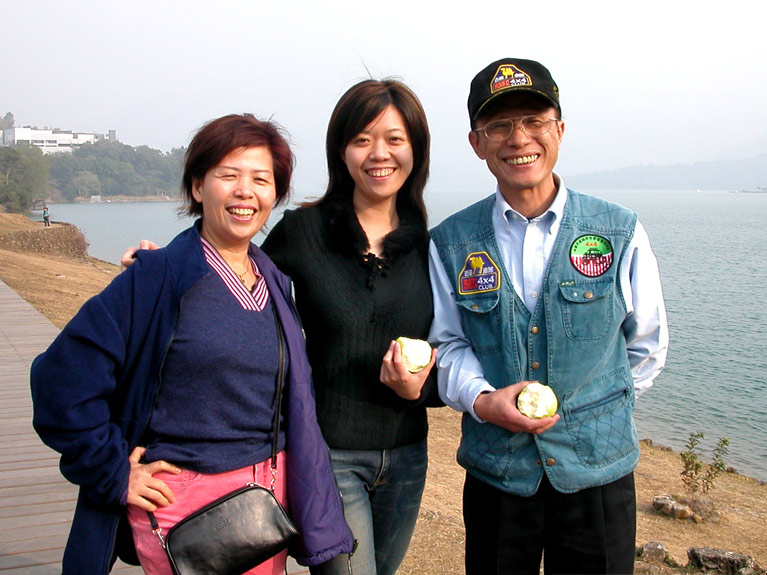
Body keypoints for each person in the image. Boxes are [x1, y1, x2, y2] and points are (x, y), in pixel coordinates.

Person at [121, 79, 441, 575]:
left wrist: (421, 387)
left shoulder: (431, 245)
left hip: (408, 457)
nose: (379, 154)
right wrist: (160, 267)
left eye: (394, 139)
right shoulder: (304, 232)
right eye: (362, 139)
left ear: (415, 149)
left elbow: (451, 349)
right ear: (341, 151)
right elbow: (231, 269)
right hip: (328, 455)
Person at [30, 114, 354, 575]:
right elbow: (59, 380)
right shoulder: (156, 277)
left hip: (264, 503)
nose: (245, 191)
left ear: (275, 194)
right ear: (198, 187)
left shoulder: (274, 283)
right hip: (183, 506)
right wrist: (113, 471)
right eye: (229, 175)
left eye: (261, 180)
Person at [428, 58, 669, 575]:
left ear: (559, 130)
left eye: (534, 121)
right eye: (499, 126)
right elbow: (448, 344)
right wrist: (484, 402)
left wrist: (595, 412)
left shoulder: (620, 230)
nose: (519, 138)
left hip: (599, 480)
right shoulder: (450, 242)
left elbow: (646, 345)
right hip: (497, 476)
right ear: (476, 143)